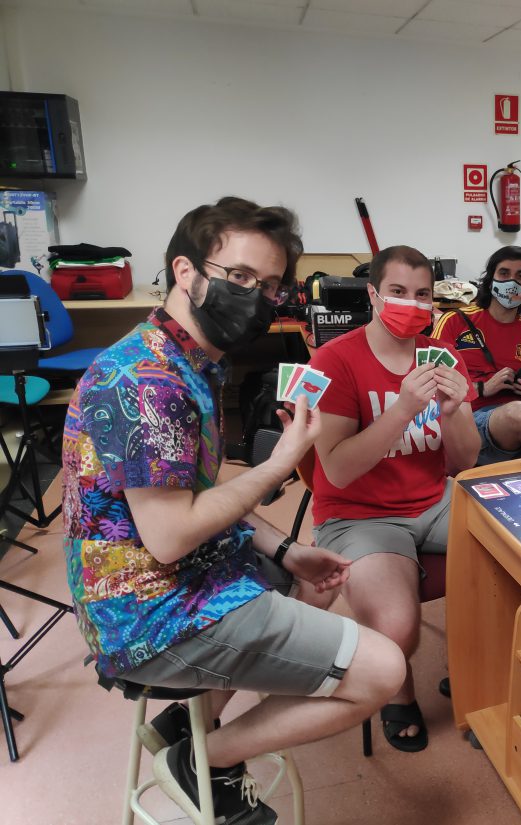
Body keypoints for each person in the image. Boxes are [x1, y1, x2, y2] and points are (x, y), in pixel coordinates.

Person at [62, 197, 406, 825]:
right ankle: (202, 762)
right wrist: (282, 464)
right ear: (186, 272)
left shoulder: (189, 359)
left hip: (182, 576)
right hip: (149, 614)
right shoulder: (148, 380)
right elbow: (170, 535)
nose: (256, 297)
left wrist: (284, 548)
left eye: (269, 285)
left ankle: (185, 723)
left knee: (314, 578)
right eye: (240, 276)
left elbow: (197, 489)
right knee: (384, 671)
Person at [309, 245, 481, 752]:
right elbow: (337, 470)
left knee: (518, 561)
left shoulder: (443, 357)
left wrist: (454, 411)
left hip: (434, 499)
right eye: (398, 292)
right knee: (397, 628)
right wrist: (403, 409)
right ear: (373, 294)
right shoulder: (335, 360)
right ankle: (397, 690)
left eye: (423, 294)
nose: (412, 303)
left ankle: (479, 672)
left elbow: (464, 462)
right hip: (359, 515)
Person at [432, 245, 521, 465]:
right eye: (504, 273)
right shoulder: (454, 322)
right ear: (490, 280)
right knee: (520, 415)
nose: (512, 282)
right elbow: (432, 387)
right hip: (471, 422)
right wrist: (482, 388)